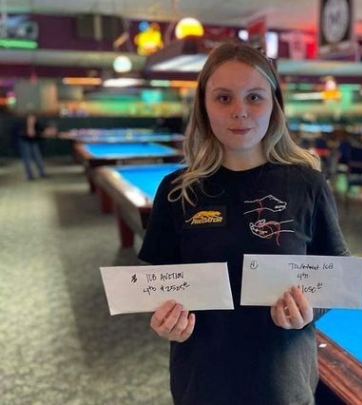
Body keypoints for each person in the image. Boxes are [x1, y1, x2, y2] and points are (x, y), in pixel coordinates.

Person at [138, 42, 350, 405]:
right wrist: (165, 319)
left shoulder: (307, 184)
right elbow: (160, 286)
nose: (240, 111)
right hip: (202, 383)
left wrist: (308, 309)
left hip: (283, 383)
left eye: (254, 97)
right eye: (224, 98)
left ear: (274, 105)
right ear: (204, 106)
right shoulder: (176, 190)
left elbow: (338, 274)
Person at [16, 112, 47, 180]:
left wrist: (36, 133)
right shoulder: (23, 125)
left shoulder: (37, 125)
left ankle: (42, 172)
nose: (32, 120)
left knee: (38, 158)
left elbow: (41, 132)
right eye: (30, 119)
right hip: (24, 142)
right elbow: (21, 133)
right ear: (27, 119)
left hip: (33, 142)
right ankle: (30, 175)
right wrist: (28, 133)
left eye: (33, 119)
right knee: (27, 159)